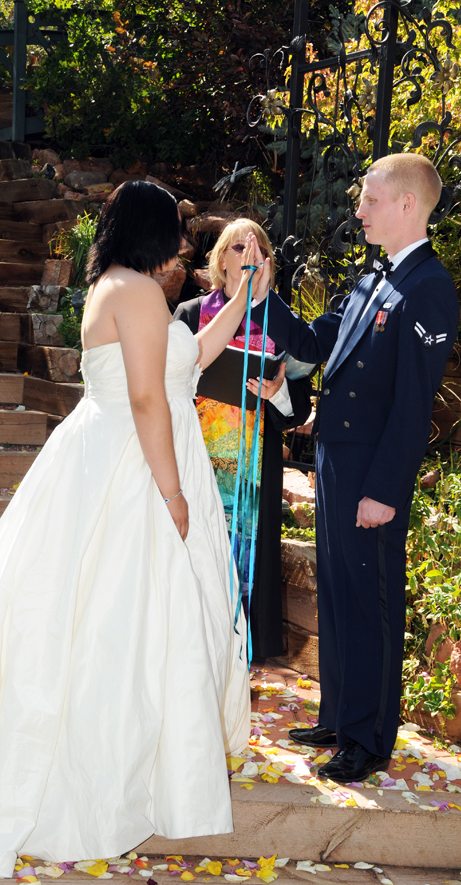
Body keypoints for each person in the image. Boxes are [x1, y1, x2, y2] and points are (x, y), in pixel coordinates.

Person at [0, 181, 271, 876]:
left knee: (124, 618)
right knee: (116, 620)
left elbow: (187, 359)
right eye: (176, 231)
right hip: (130, 469)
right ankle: (104, 776)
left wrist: (244, 302)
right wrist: (172, 491)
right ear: (149, 231)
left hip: (115, 454)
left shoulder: (120, 286)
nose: (185, 245)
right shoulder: (136, 291)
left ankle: (144, 766)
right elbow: (146, 396)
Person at [250, 154, 460, 783]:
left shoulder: (429, 287)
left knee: (370, 603)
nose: (359, 209)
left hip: (371, 475)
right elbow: (317, 344)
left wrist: (385, 491)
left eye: (370, 199)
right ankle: (340, 717)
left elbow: (411, 403)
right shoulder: (374, 278)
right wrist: (266, 299)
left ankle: (369, 739)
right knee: (339, 598)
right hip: (336, 463)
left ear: (406, 205)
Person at [175, 219, 312, 659]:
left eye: (257, 246)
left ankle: (238, 650)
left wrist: (279, 392)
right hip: (197, 456)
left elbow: (301, 408)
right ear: (219, 258)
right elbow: (167, 380)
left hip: (254, 465)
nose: (247, 253)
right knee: (193, 551)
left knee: (245, 559)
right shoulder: (192, 313)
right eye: (238, 245)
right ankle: (190, 644)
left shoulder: (281, 321)